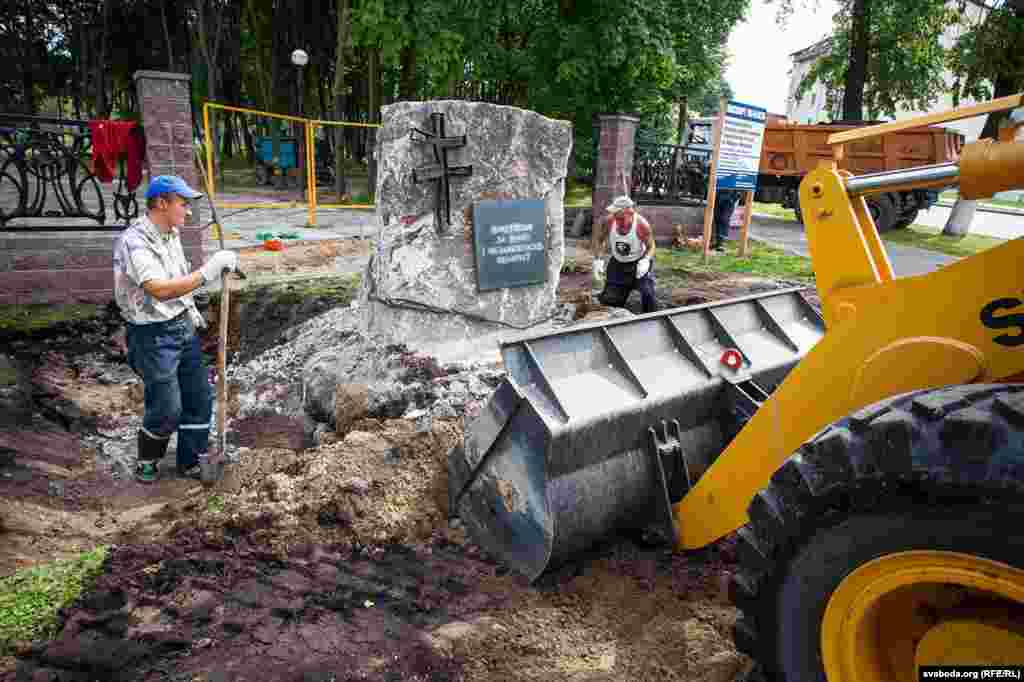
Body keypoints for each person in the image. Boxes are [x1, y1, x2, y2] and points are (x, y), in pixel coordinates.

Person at [112, 175, 238, 484]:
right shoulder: (135, 241)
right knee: (168, 406)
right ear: (161, 203)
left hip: (182, 327)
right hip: (152, 335)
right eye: (183, 204)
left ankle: (191, 461)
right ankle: (148, 460)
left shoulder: (171, 233)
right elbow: (158, 289)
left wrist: (196, 305)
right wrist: (207, 272)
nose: (188, 211)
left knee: (198, 399)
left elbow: (178, 283)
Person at [592, 195, 658, 313]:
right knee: (610, 300)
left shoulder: (642, 225)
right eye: (616, 217)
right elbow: (599, 239)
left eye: (621, 219)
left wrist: (646, 260)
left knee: (648, 295)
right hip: (618, 264)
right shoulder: (610, 221)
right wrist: (598, 260)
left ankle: (650, 320)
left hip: (638, 264)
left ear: (630, 213)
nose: (618, 221)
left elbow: (651, 246)